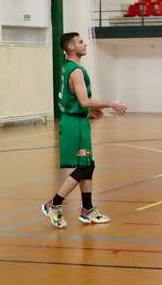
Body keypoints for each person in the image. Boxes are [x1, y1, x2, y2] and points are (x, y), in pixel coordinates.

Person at [42, 32, 127, 229]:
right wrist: (110, 103)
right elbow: (83, 101)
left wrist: (90, 111)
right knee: (84, 167)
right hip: (74, 124)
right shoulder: (76, 71)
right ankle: (53, 204)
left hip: (77, 120)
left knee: (88, 164)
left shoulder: (69, 68)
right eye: (80, 42)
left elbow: (76, 101)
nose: (84, 44)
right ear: (71, 48)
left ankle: (87, 209)